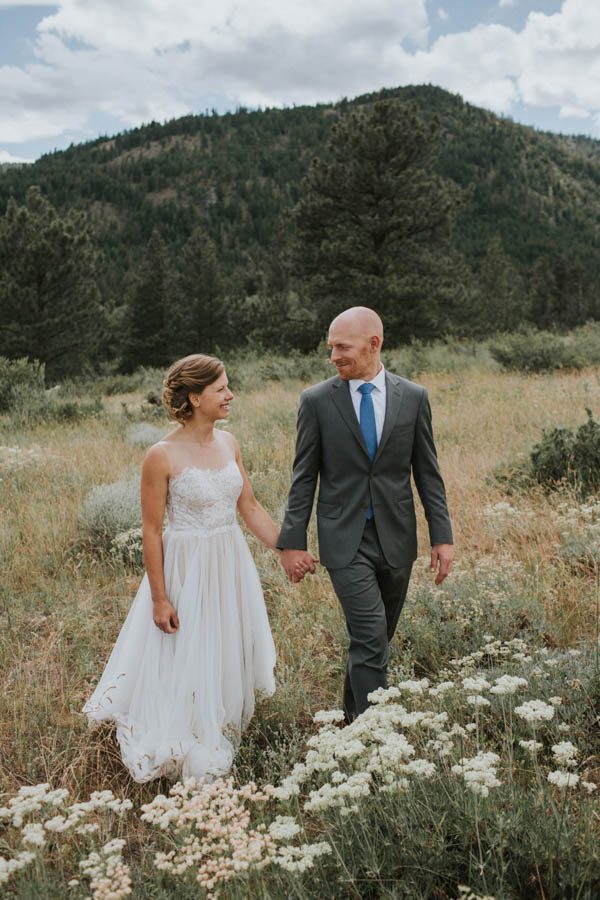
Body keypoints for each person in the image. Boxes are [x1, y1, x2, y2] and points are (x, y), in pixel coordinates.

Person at [83, 354, 278, 783]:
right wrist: (159, 597)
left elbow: (249, 505)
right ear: (194, 397)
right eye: (221, 389)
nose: (231, 395)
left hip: (229, 560)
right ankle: (185, 726)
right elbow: (152, 532)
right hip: (185, 566)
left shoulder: (230, 444)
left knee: (225, 640)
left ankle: (222, 716)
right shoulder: (161, 455)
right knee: (187, 646)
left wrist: (288, 548)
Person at [278, 307, 453, 722]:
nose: (334, 356)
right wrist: (291, 543)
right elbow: (304, 478)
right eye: (331, 348)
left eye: (343, 347)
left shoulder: (413, 397)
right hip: (343, 539)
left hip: (397, 538)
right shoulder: (317, 401)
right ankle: (376, 737)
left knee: (373, 640)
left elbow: (428, 473)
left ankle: (351, 725)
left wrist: (442, 537)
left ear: (374, 344)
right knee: (371, 635)